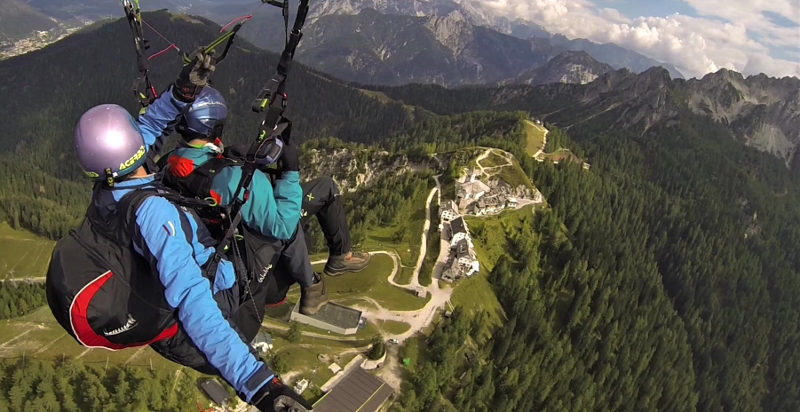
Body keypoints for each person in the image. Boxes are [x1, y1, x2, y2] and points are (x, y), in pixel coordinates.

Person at [71, 56, 311, 412]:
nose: (144, 132)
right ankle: (305, 285)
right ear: (131, 150)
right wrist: (258, 384)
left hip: (166, 320)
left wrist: (181, 92)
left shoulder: (109, 190)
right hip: (218, 314)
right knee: (278, 231)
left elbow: (148, 126)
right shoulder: (153, 213)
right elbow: (192, 300)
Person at [161, 87, 370, 317]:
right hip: (259, 270)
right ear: (216, 126)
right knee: (325, 189)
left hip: (224, 248)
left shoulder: (169, 164)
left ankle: (322, 274)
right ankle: (320, 278)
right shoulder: (239, 179)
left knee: (310, 196)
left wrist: (227, 157)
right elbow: (282, 226)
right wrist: (290, 171)